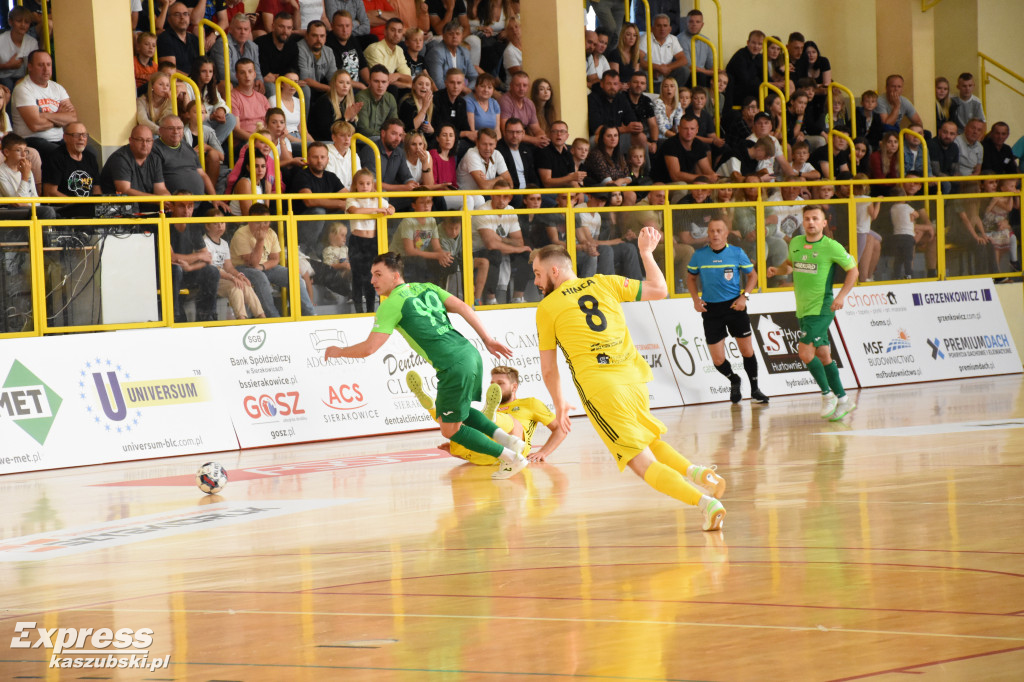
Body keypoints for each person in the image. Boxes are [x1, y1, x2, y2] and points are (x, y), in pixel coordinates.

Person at [532, 233, 727, 531]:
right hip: (634, 380)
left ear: (554, 271)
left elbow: (548, 370)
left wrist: (560, 406)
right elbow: (659, 290)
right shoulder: (604, 282)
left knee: (641, 463)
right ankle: (698, 474)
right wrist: (646, 252)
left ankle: (705, 503)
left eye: (537, 274)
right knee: (648, 441)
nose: (536, 281)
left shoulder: (547, 308)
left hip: (601, 389)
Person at [323, 251, 531, 480]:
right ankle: (508, 439)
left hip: (453, 365)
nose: (372, 280)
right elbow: (463, 306)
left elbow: (369, 349)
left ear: (395, 276)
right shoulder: (427, 287)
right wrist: (487, 339)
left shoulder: (392, 304)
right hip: (470, 354)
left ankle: (511, 458)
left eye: (378, 274)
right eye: (372, 275)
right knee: (457, 412)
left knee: (449, 428)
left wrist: (338, 351)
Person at [766, 205, 858, 421]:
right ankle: (844, 400)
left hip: (822, 307)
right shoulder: (796, 243)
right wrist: (777, 270)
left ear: (824, 223)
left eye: (816, 219)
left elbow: (853, 270)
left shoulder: (831, 246)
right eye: (807, 218)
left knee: (805, 353)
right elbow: (790, 265)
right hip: (804, 309)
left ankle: (827, 395)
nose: (811, 222)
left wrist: (841, 296)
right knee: (824, 355)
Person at [407, 364, 568, 465]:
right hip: (485, 455)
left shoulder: (530, 403)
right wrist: (456, 450)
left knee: (509, 422)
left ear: (514, 387)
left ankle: (492, 420)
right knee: (456, 420)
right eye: (492, 384)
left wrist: (543, 452)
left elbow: (560, 429)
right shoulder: (487, 409)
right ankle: (432, 405)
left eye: (500, 384)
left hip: (515, 449)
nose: (495, 387)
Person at [685, 217, 768, 404]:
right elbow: (690, 278)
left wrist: (744, 297)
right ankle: (734, 379)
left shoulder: (737, 253)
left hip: (734, 307)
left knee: (747, 351)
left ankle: (755, 389)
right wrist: (695, 300)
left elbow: (752, 275)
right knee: (718, 359)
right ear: (708, 233)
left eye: (719, 231)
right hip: (711, 310)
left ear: (726, 233)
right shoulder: (699, 255)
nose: (715, 234)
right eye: (712, 231)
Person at [230, 202, 315, 317]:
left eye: (265, 222)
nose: (262, 226)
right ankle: (273, 318)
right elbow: (252, 263)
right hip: (242, 268)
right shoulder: (241, 234)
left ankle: (310, 314)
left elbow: (275, 259)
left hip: (264, 267)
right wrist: (260, 241)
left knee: (294, 276)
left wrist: (263, 267)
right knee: (260, 277)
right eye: (257, 222)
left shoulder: (271, 233)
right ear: (249, 221)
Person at [203, 207, 266, 319]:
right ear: (207, 226)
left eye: (222, 223)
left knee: (246, 284)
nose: (220, 226)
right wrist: (232, 278)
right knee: (235, 287)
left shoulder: (224, 243)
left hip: (225, 278)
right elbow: (211, 269)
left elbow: (229, 267)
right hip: (211, 280)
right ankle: (241, 319)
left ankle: (262, 316)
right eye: (215, 224)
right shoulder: (204, 242)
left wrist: (239, 276)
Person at [345, 167, 394, 312]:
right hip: (357, 242)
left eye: (368, 184)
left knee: (372, 277)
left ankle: (371, 310)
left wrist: (390, 209)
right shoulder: (351, 199)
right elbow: (355, 211)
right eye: (361, 184)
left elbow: (390, 207)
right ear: (355, 185)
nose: (365, 187)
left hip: (373, 242)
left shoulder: (377, 199)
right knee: (357, 277)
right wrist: (378, 210)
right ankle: (358, 310)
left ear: (372, 185)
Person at [167, 195, 220, 323]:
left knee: (212, 271)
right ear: (172, 207)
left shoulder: (194, 227)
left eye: (190, 206)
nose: (186, 211)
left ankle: (206, 316)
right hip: (166, 274)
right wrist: (197, 256)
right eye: (181, 206)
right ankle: (174, 315)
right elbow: (171, 257)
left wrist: (190, 266)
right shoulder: (164, 223)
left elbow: (207, 259)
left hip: (187, 270)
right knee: (176, 269)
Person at [11, 50, 76, 155]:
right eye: (41, 65)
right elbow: (35, 125)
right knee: (60, 155)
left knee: (88, 153)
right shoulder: (23, 89)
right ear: (30, 67)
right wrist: (60, 118)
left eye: (48, 65)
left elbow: (72, 117)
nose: (46, 69)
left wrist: (45, 115)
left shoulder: (57, 88)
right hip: (31, 140)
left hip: (59, 140)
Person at [99, 125, 170, 198]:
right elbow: (124, 190)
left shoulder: (155, 159)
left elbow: (160, 188)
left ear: (152, 142)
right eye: (140, 140)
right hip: (122, 207)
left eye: (148, 140)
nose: (144, 144)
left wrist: (168, 200)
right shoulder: (120, 158)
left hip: (149, 206)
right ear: (131, 141)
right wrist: (156, 200)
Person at [42, 122, 102, 205]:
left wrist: (96, 206)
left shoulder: (90, 157)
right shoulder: (56, 158)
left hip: (88, 208)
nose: (81, 138)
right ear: (65, 137)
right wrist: (76, 205)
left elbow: (96, 188)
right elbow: (50, 192)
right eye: (76, 135)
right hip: (64, 209)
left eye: (84, 135)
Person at [426, 19, 476, 93]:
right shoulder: (437, 52)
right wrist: (460, 90)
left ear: (462, 36)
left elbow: (475, 77)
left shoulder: (464, 52)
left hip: (462, 92)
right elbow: (438, 83)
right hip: (442, 94)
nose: (454, 36)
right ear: (443, 36)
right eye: (451, 34)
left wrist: (466, 89)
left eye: (458, 33)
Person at [363, 17, 412, 91]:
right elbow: (382, 80)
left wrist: (398, 75)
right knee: (394, 89)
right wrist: (408, 85)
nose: (396, 34)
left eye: (399, 31)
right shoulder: (375, 49)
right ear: (385, 32)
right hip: (371, 88)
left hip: (386, 87)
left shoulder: (399, 50)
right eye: (393, 30)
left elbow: (408, 78)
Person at [256, 11, 301, 89]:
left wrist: (280, 78)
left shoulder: (293, 45)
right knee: (271, 87)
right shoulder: (261, 43)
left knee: (305, 89)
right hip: (266, 83)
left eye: (289, 28)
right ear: (273, 27)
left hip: (285, 81)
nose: (285, 31)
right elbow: (264, 74)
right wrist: (285, 77)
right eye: (281, 26)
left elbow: (295, 69)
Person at [232, 58, 272, 142]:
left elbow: (271, 122)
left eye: (250, 72)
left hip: (265, 140)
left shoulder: (262, 98)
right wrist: (256, 139)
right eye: (242, 72)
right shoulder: (232, 97)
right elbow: (235, 130)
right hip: (245, 142)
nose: (247, 76)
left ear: (254, 74)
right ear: (236, 76)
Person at [355, 65, 398, 139]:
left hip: (384, 139)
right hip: (364, 140)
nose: (380, 85)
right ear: (369, 81)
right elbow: (363, 129)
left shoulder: (390, 98)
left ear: (388, 83)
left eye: (383, 82)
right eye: (376, 81)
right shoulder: (361, 97)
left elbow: (395, 125)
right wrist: (386, 135)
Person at [157, 2, 201, 75]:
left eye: (185, 14)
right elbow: (169, 72)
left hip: (195, 83)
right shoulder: (164, 38)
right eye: (177, 14)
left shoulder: (194, 39)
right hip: (176, 84)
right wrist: (193, 82)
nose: (182, 17)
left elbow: (204, 66)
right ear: (169, 19)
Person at [0, 6, 38, 92]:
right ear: (10, 22)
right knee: (8, 85)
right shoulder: (1, 40)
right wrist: (7, 66)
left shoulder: (32, 42)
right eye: (19, 21)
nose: (23, 25)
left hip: (23, 78)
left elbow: (36, 66)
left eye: (27, 22)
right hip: (2, 78)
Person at [297, 19, 338, 98]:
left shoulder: (329, 51)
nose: (319, 40)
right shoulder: (299, 49)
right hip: (301, 90)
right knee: (305, 89)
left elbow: (333, 78)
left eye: (322, 36)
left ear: (326, 37)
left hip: (319, 90)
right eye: (314, 35)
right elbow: (305, 79)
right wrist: (329, 89)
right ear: (307, 36)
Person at [724, 30, 764, 109]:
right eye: (753, 43)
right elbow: (745, 81)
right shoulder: (740, 56)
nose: (756, 46)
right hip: (736, 93)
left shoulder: (760, 58)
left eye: (759, 44)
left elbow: (765, 77)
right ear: (748, 42)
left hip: (750, 91)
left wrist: (779, 83)